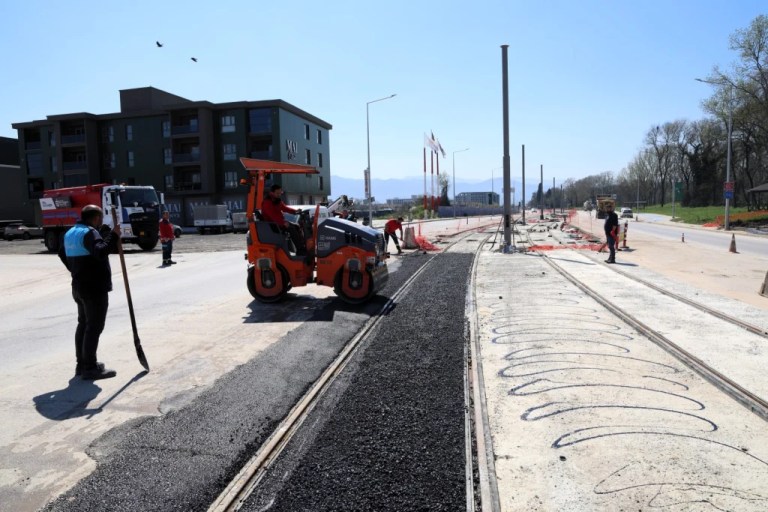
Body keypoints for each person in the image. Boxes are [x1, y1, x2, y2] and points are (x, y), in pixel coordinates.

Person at [58, 205, 120, 380]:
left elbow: (61, 253)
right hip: (94, 288)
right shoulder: (90, 232)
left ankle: (82, 364)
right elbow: (101, 252)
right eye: (100, 218)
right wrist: (114, 235)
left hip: (79, 286)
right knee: (94, 327)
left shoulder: (70, 232)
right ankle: (90, 368)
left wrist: (75, 269)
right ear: (96, 218)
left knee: (84, 324)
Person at [260, 184, 305, 253]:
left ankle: (302, 247)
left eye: (280, 193)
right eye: (277, 193)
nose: (279, 195)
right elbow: (273, 216)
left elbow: (284, 208)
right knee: (291, 228)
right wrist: (283, 223)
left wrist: (295, 211)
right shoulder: (267, 202)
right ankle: (300, 249)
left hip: (277, 223)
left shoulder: (276, 200)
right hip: (272, 225)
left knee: (296, 226)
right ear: (272, 193)